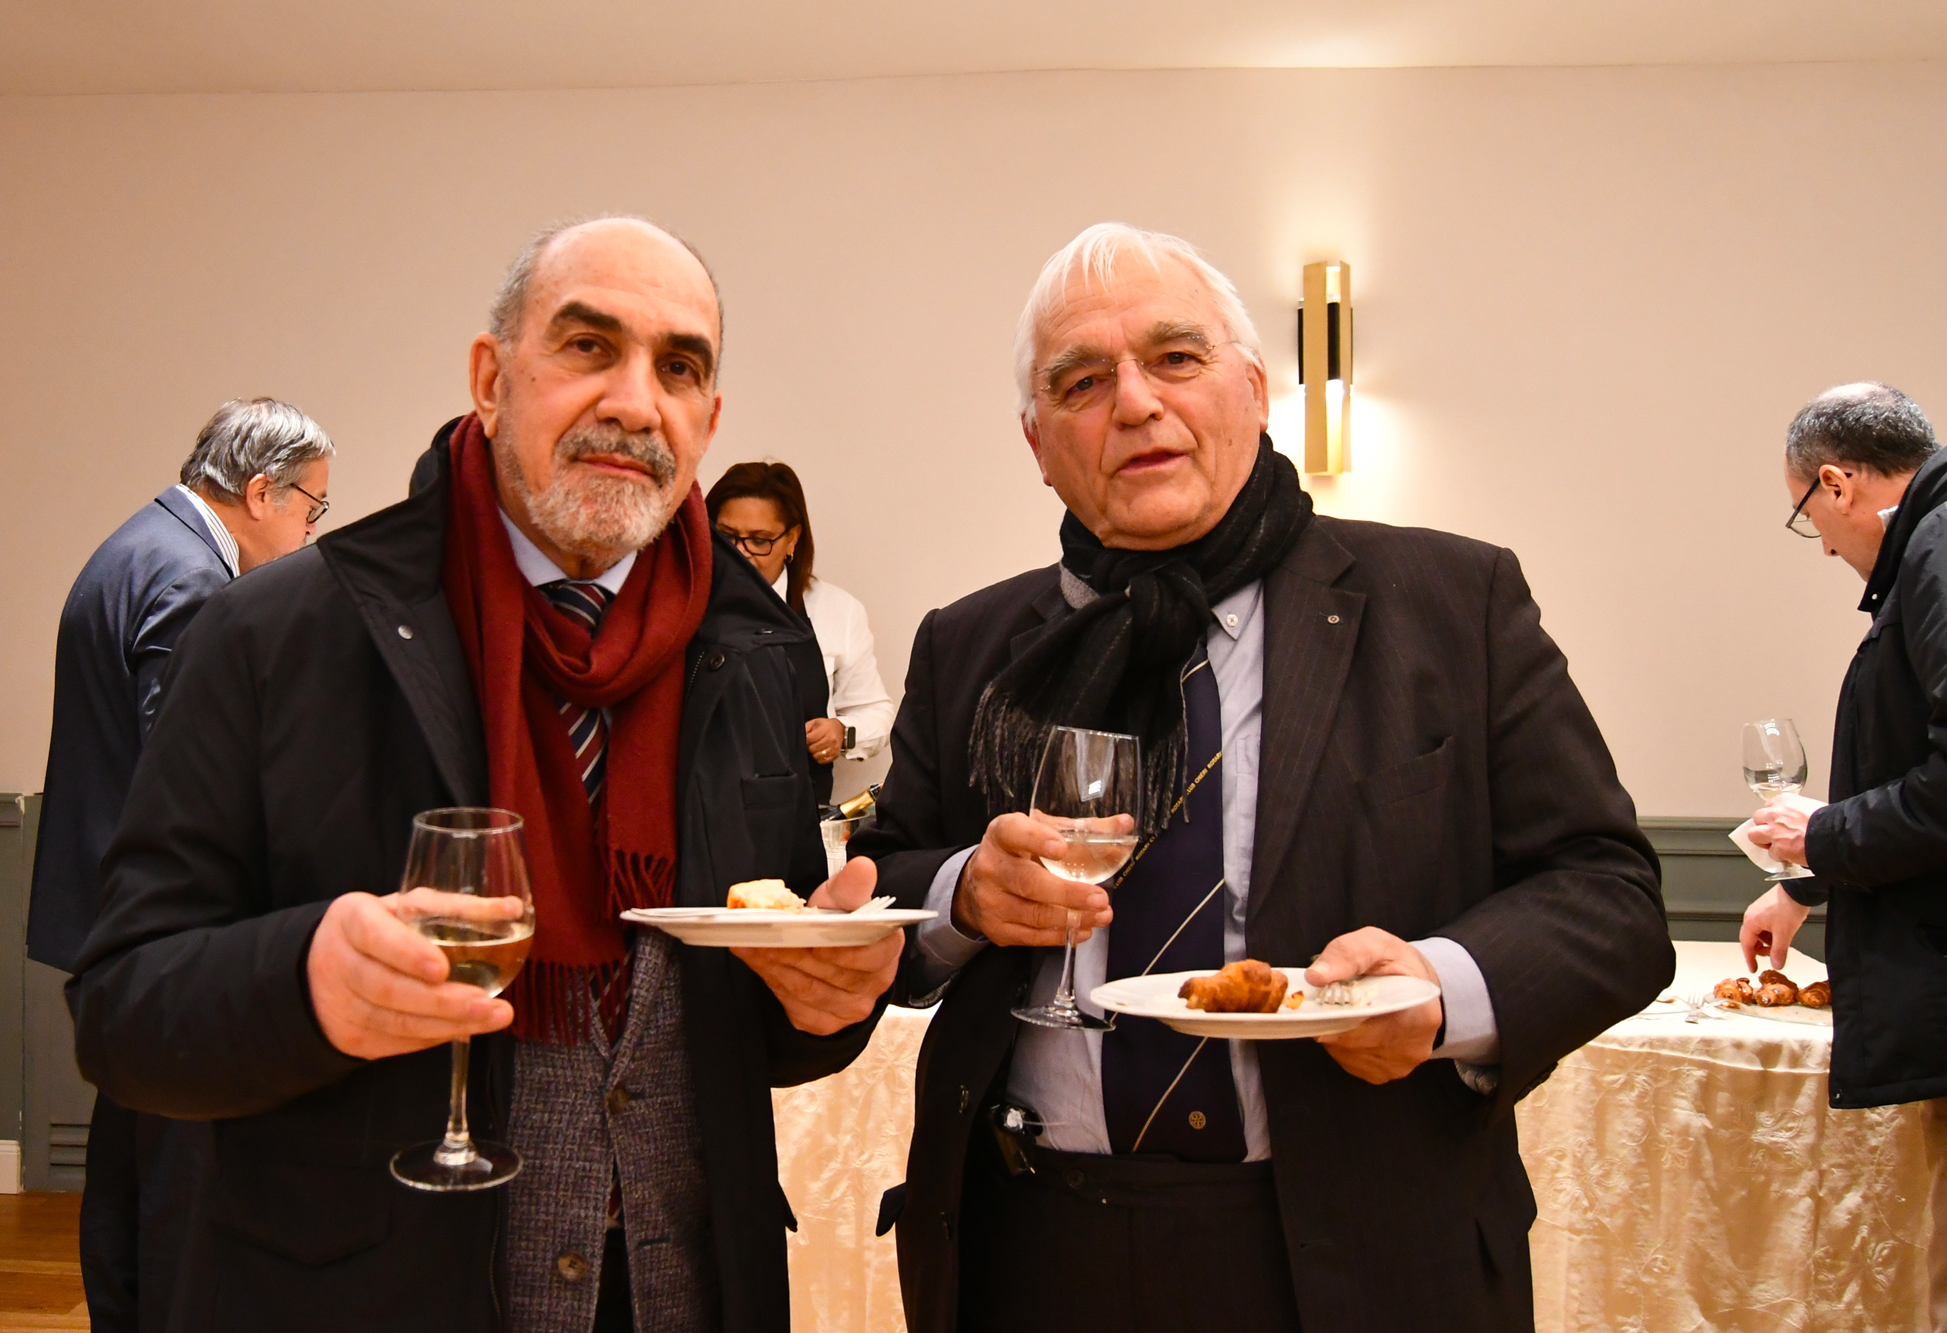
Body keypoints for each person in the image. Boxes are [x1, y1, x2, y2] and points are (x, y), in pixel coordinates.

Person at [69, 216, 901, 1332]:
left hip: (686, 1292)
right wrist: (304, 981)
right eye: (587, 346)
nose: (633, 401)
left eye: (678, 367)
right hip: (374, 1294)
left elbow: (752, 1015)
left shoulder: (759, 649)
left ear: (707, 419)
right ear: (491, 380)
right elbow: (122, 1007)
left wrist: (826, 1005)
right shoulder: (276, 635)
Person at [850, 222, 1674, 1333]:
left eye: (1174, 358)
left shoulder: (1452, 602)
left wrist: (1438, 991)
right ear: (1037, 443)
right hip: (1030, 1249)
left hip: (1358, 1262)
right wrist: (962, 894)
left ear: (1253, 389)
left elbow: (1608, 895)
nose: (1134, 403)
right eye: (1082, 382)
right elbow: (886, 884)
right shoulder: (971, 644)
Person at [26, 397, 334, 1333]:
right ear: (260, 491)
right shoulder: (194, 579)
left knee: (127, 1156)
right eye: (313, 508)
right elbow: (190, 770)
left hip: (103, 900)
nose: (312, 531)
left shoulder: (137, 543)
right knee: (175, 1177)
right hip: (158, 921)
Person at [1739, 383, 1947, 1330]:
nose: (1822, 545)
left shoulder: (1937, 551)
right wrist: (1808, 882)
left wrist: (1820, 835)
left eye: (1807, 514)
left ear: (1836, 482)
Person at [706, 461, 895, 801]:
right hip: (702, 807)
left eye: (759, 541)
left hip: (798, 813)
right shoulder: (681, 607)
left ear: (792, 539)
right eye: (726, 537)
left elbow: (876, 714)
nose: (740, 553)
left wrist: (841, 732)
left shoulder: (837, 610)